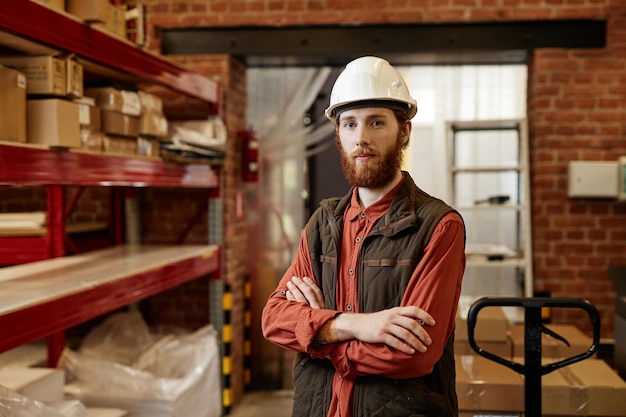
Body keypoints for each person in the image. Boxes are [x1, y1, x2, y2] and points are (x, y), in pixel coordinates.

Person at [261, 56, 466, 417]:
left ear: (404, 131)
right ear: (337, 133)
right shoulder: (323, 223)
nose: (362, 138)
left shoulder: (439, 227)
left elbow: (412, 354)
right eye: (350, 124)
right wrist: (356, 324)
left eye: (376, 122)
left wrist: (317, 332)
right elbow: (274, 319)